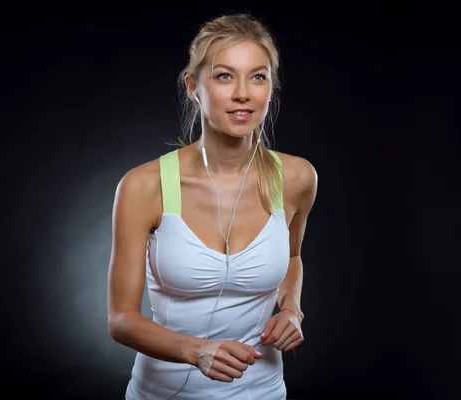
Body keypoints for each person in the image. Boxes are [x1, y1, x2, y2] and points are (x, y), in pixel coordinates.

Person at [107, 13, 318, 400]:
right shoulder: (143, 186)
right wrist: (196, 351)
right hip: (163, 392)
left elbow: (291, 257)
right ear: (194, 87)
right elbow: (121, 320)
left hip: (264, 391)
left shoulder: (298, 178)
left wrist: (291, 309)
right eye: (224, 76)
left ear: (271, 87)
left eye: (258, 76)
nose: (243, 93)